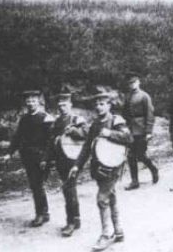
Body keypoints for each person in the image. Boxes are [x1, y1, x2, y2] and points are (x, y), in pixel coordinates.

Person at [69, 91, 133, 252]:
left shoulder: (116, 120)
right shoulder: (95, 124)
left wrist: (110, 133)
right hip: (99, 166)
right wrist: (77, 165)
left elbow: (128, 138)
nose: (98, 107)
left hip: (113, 166)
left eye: (102, 104)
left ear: (109, 105)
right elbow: (86, 147)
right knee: (110, 196)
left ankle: (106, 234)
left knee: (102, 199)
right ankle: (118, 231)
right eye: (96, 104)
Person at [0, 90, 55, 227]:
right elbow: (17, 137)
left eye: (33, 101)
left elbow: (51, 141)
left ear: (38, 102)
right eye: (28, 101)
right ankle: (43, 213)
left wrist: (46, 159)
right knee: (35, 186)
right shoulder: (24, 119)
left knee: (38, 185)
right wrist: (9, 153)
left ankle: (41, 214)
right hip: (28, 157)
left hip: (41, 158)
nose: (30, 103)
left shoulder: (46, 118)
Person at [46, 93, 89, 237]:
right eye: (59, 105)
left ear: (70, 104)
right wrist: (49, 159)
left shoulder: (77, 119)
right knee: (68, 189)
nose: (62, 107)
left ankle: (71, 222)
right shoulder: (57, 122)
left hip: (74, 159)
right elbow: (52, 141)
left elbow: (86, 134)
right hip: (61, 159)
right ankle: (76, 219)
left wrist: (74, 131)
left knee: (68, 188)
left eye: (64, 104)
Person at [122, 73, 159, 190]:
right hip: (131, 129)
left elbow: (150, 114)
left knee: (141, 155)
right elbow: (125, 112)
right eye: (130, 83)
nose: (132, 85)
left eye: (134, 82)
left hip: (142, 129)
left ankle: (153, 168)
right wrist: (125, 126)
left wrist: (148, 131)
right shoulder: (127, 97)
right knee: (131, 156)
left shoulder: (144, 96)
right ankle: (134, 181)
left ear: (139, 82)